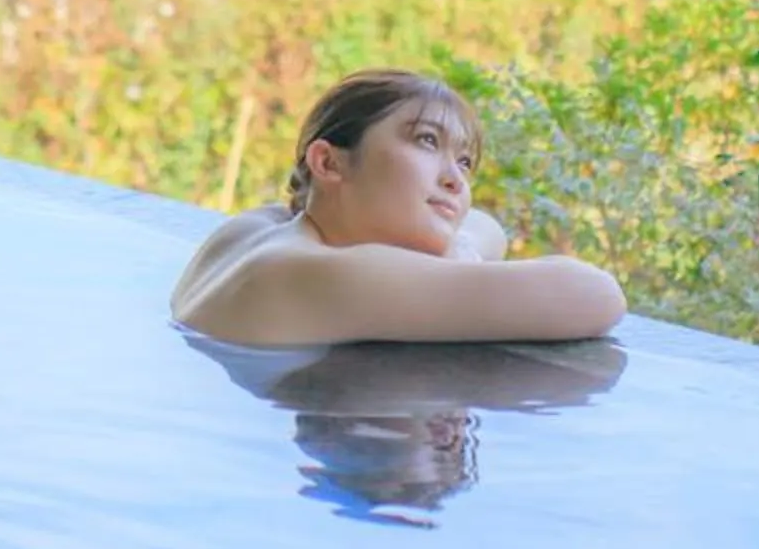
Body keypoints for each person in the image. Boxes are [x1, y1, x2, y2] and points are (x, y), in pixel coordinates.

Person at [170, 68, 628, 348]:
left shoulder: (260, 228)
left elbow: (487, 226)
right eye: (427, 141)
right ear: (328, 162)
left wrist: (457, 247)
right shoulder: (314, 272)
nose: (456, 179)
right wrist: (459, 258)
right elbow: (597, 296)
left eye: (465, 162)